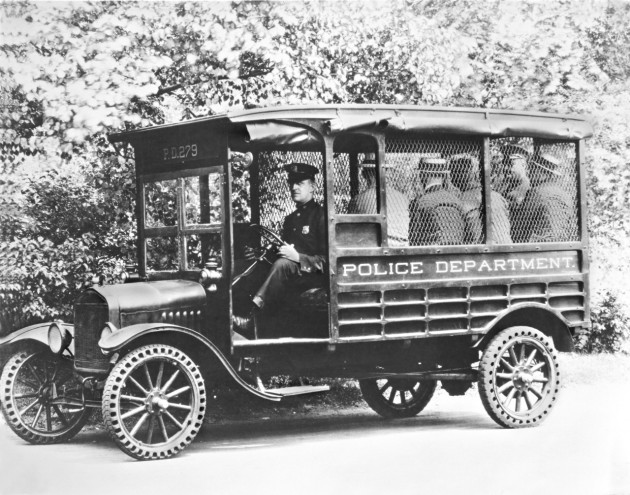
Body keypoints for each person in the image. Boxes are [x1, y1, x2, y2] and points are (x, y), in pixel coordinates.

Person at [235, 162, 326, 336]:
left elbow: (327, 260)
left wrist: (298, 257)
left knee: (283, 264)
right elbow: (281, 251)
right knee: (249, 265)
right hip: (291, 273)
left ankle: (252, 319)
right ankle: (231, 312)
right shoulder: (291, 219)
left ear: (313, 186)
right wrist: (258, 255)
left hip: (312, 277)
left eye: (300, 183)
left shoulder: (322, 217)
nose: (293, 187)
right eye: (291, 182)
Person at [449, 154, 512, 244]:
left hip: (482, 252)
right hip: (507, 248)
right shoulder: (496, 196)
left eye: (453, 173)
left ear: (454, 177)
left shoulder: (460, 201)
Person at [348, 154, 409, 246]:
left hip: (374, 247)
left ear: (364, 174)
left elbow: (352, 229)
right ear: (385, 173)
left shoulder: (358, 200)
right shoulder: (403, 198)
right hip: (402, 247)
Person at [513, 153, 575, 243]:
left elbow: (522, 223)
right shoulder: (565, 194)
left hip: (539, 244)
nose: (529, 173)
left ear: (541, 172)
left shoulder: (537, 192)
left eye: (532, 169)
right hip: (563, 242)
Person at [409, 157, 465, 246]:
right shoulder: (456, 201)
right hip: (457, 251)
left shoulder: (422, 202)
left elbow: (414, 239)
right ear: (443, 176)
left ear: (423, 175)